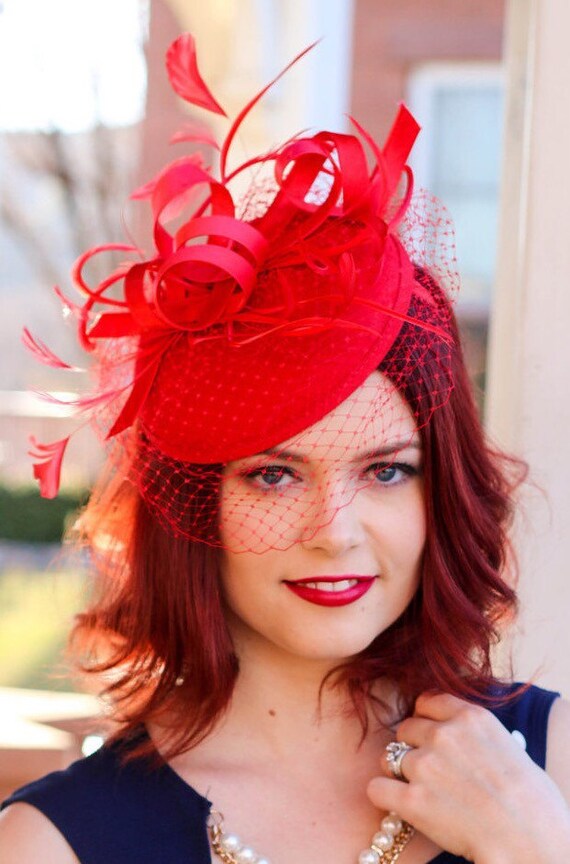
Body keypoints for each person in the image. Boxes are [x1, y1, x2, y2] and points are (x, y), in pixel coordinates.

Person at [1, 33, 569, 864]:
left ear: (439, 489)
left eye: (386, 469)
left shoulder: (548, 764)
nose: (334, 530)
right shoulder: (53, 844)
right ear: (196, 504)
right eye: (272, 473)